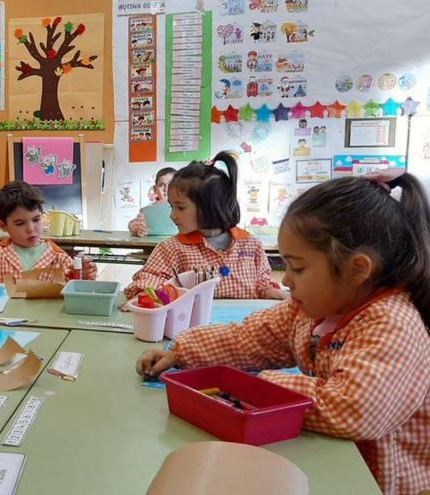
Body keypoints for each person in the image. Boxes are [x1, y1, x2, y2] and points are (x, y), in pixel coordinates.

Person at [138, 170, 430, 495]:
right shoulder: (311, 309)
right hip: (329, 462)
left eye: (298, 268)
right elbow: (250, 338)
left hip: (380, 482)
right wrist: (181, 351)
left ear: (357, 270)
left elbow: (353, 409)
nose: (286, 280)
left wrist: (261, 387)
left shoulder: (392, 324)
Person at [124, 151, 286, 300]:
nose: (172, 215)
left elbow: (261, 281)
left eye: (180, 207)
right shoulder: (171, 248)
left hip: (245, 326)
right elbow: (149, 280)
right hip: (194, 327)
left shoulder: (251, 244)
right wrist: (145, 296)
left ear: (211, 206)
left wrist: (271, 291)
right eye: (172, 206)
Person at [0, 180, 96, 287]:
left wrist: (84, 276)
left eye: (36, 220)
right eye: (20, 223)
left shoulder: (59, 259)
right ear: (3, 225)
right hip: (1, 324)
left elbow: (77, 291)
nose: (31, 229)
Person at [129, 167, 176, 236]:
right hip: (152, 245)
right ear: (155, 189)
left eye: (171, 184)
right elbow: (133, 226)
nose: (166, 189)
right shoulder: (147, 211)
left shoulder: (184, 208)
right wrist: (137, 229)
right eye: (161, 185)